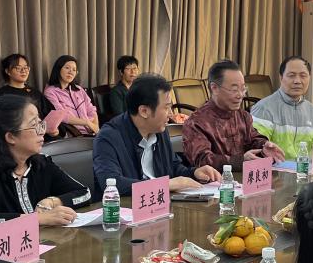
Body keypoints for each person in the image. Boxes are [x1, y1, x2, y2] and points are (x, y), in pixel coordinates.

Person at [0, 95, 90, 227]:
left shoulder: (41, 163)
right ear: (11, 137)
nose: (42, 132)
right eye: (34, 125)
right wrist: (37, 219)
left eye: (41, 124)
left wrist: (52, 201)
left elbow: (84, 193)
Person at [93, 73, 221, 197]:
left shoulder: (159, 130)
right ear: (144, 111)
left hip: (161, 205)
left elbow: (173, 167)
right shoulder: (108, 137)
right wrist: (165, 185)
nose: (170, 114)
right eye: (166, 108)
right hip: (124, 208)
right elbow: (112, 183)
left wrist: (194, 173)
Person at [183, 60, 284, 171]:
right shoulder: (196, 122)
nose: (240, 95)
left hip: (245, 179)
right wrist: (239, 161)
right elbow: (202, 160)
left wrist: (264, 146)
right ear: (214, 88)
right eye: (234, 89)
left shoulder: (243, 116)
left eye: (243, 89)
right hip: (215, 181)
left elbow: (253, 139)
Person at [249, 55, 313, 159]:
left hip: (305, 168)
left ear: (309, 78)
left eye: (303, 76)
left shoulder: (312, 110)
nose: (297, 81)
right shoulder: (264, 108)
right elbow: (257, 146)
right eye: (291, 75)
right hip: (275, 167)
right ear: (281, 78)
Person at [0, 53, 60, 138]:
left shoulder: (34, 92)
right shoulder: (2, 95)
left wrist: (54, 128)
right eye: (18, 68)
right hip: (21, 138)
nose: (23, 71)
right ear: (8, 71)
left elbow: (51, 112)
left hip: (44, 135)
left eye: (26, 67)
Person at [43, 55, 99, 136]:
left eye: (74, 70)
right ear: (58, 69)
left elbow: (91, 109)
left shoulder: (79, 89)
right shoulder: (50, 92)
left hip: (91, 132)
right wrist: (87, 122)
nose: (71, 72)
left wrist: (96, 126)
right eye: (67, 68)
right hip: (73, 135)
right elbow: (62, 117)